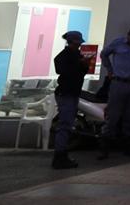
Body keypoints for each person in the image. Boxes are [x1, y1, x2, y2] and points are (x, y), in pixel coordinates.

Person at [98, 24, 130, 159]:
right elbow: (104, 54)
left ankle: (128, 147)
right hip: (119, 82)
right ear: (129, 35)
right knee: (113, 116)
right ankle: (104, 147)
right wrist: (110, 70)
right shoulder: (118, 43)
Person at [52, 30, 87, 169]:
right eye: (77, 42)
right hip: (66, 94)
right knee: (65, 124)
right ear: (71, 42)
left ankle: (62, 153)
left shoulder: (77, 55)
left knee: (67, 124)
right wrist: (80, 65)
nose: (79, 45)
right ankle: (59, 156)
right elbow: (63, 70)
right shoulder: (64, 56)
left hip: (72, 93)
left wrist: (83, 66)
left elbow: (79, 73)